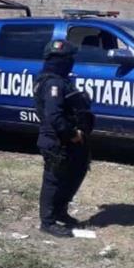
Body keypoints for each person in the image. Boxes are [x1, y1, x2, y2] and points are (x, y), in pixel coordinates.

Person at [33, 39, 94, 238]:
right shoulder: (52, 83)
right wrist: (72, 134)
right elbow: (54, 116)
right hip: (57, 140)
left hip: (68, 140)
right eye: (68, 59)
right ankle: (48, 221)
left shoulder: (60, 80)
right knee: (53, 180)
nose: (71, 62)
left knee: (73, 175)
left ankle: (60, 211)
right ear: (59, 60)